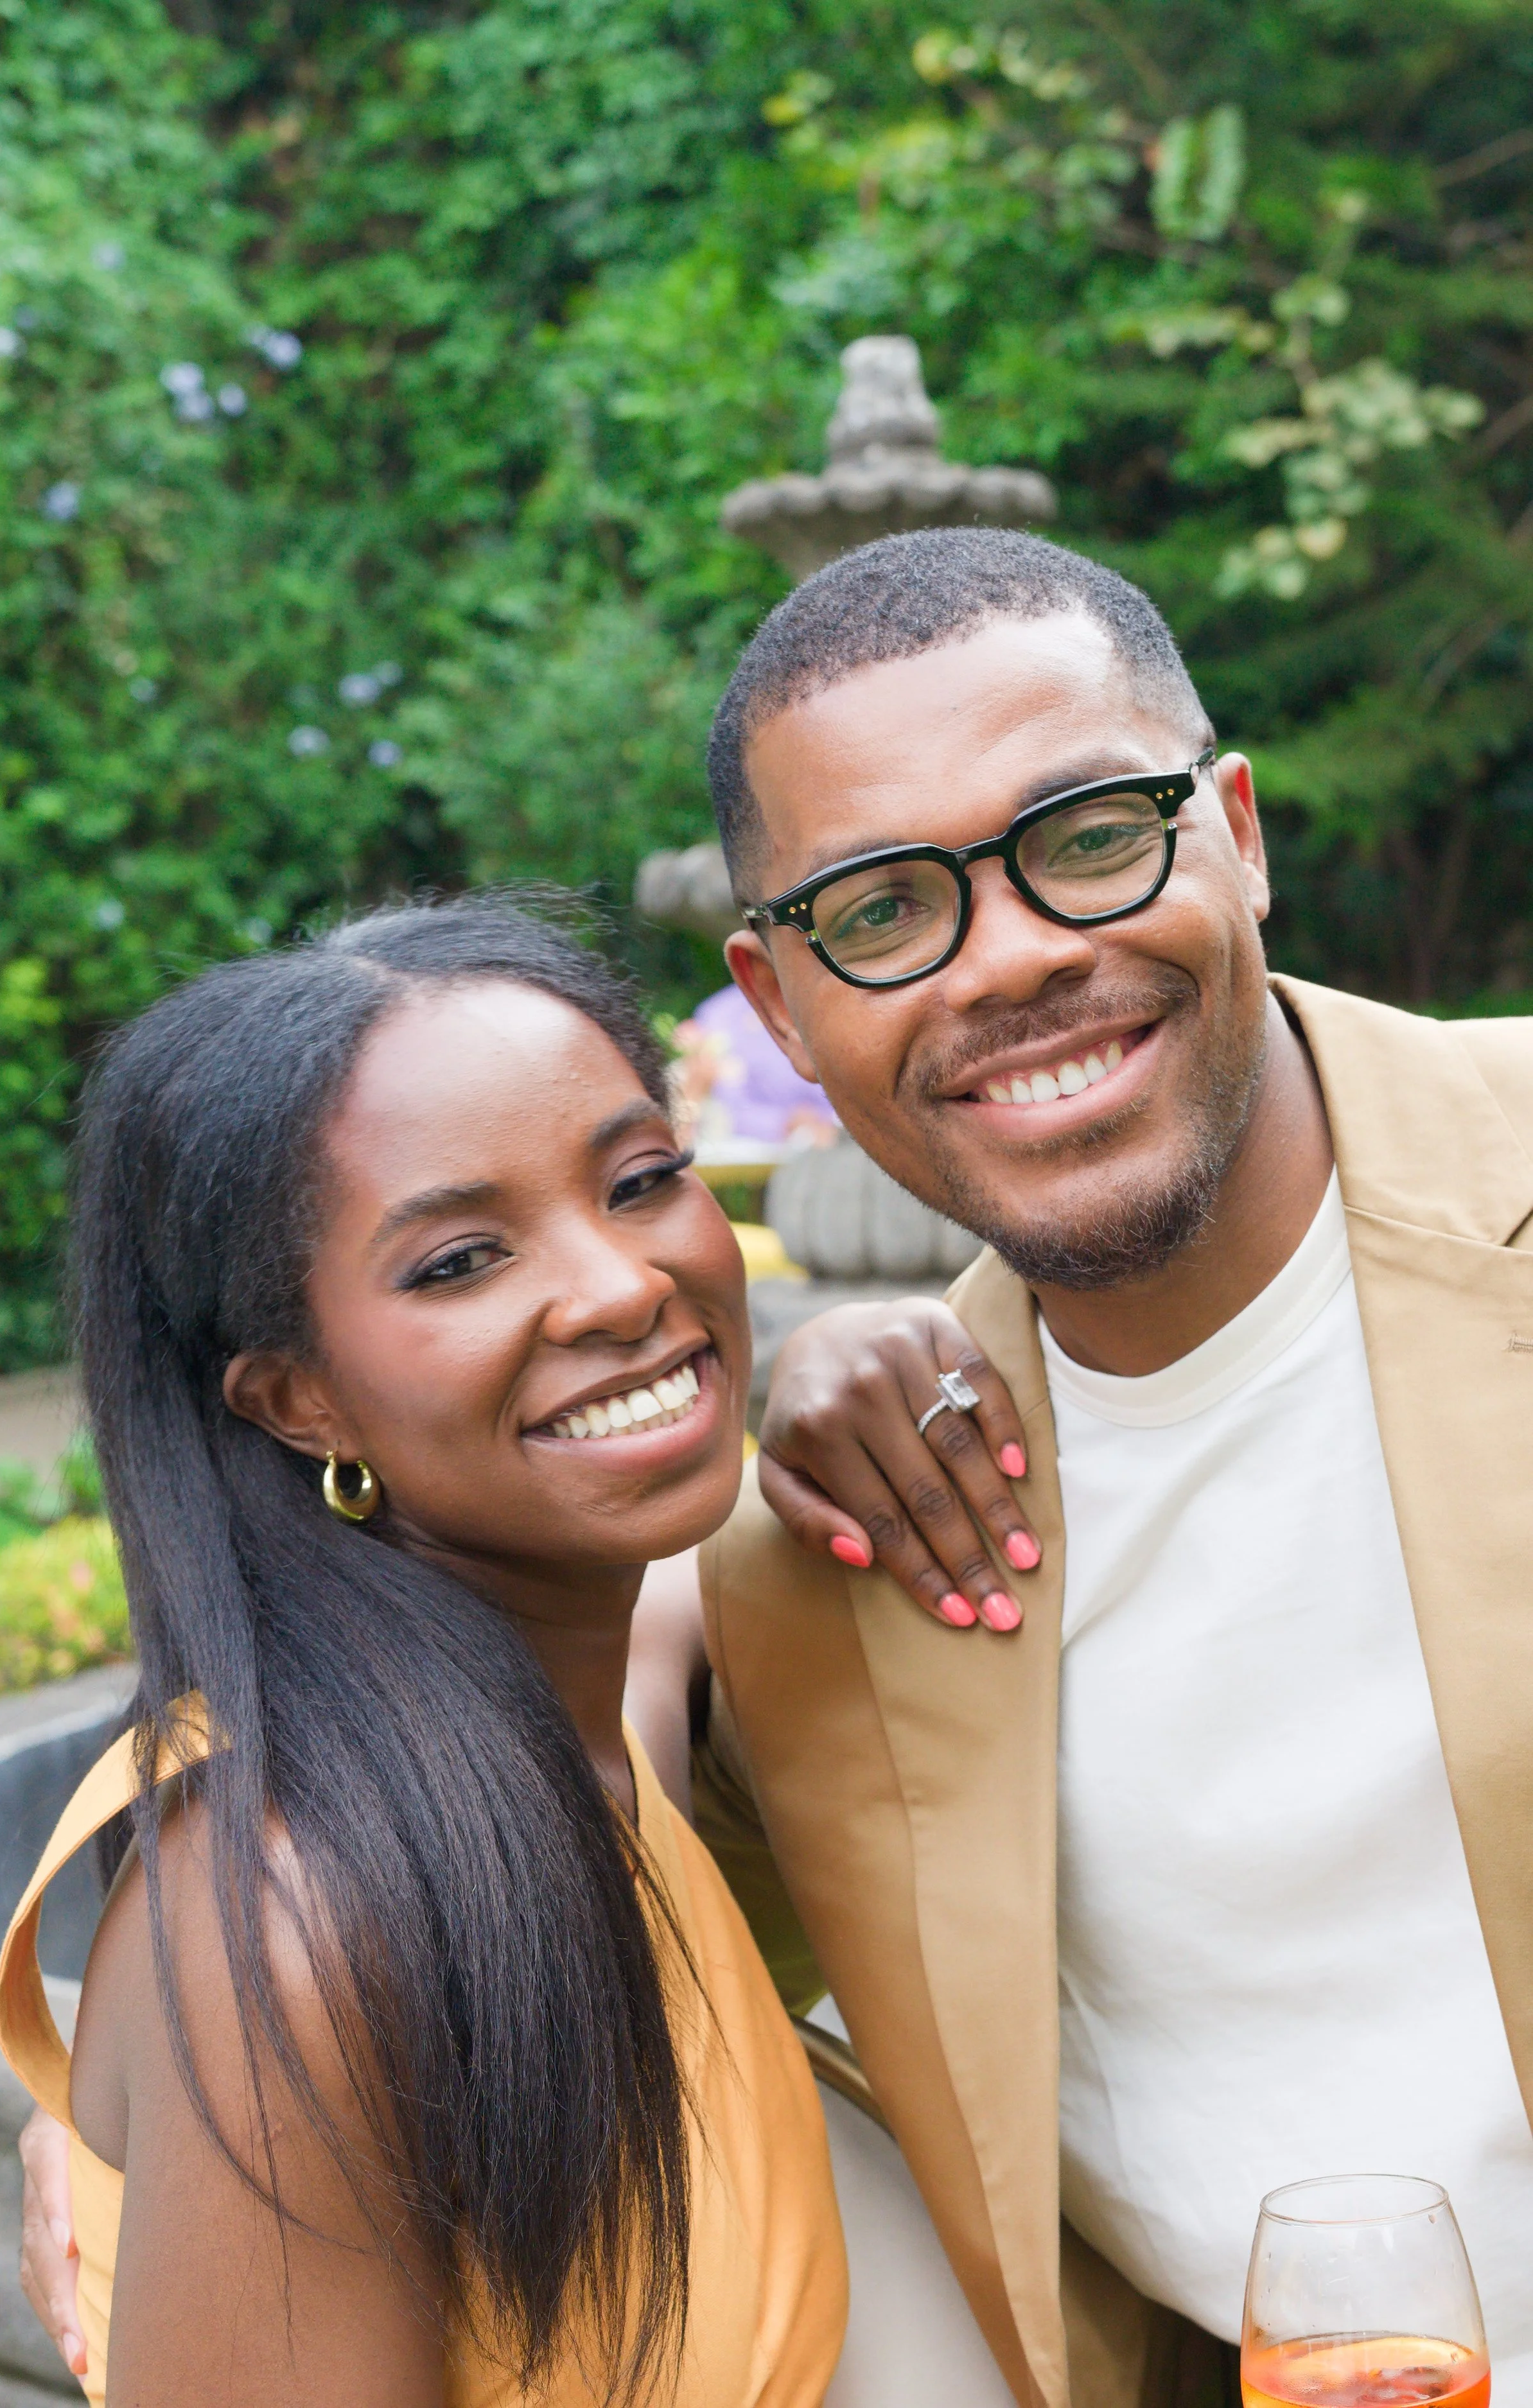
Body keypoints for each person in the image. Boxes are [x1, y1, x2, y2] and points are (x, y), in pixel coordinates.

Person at [682, 527, 1533, 2408]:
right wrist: (142, 2134)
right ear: (779, 1005)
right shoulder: (825, 1557)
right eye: (884, 911)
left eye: (1084, 835)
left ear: (1233, 827)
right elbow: (513, 1923)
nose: (1017, 962)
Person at [0, 896, 846, 2408]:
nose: (620, 1286)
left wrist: (862, 1353)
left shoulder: (563, 1725)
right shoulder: (303, 1927)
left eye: (642, 1179)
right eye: (458, 1262)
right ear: (294, 1400)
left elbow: (681, 1615)